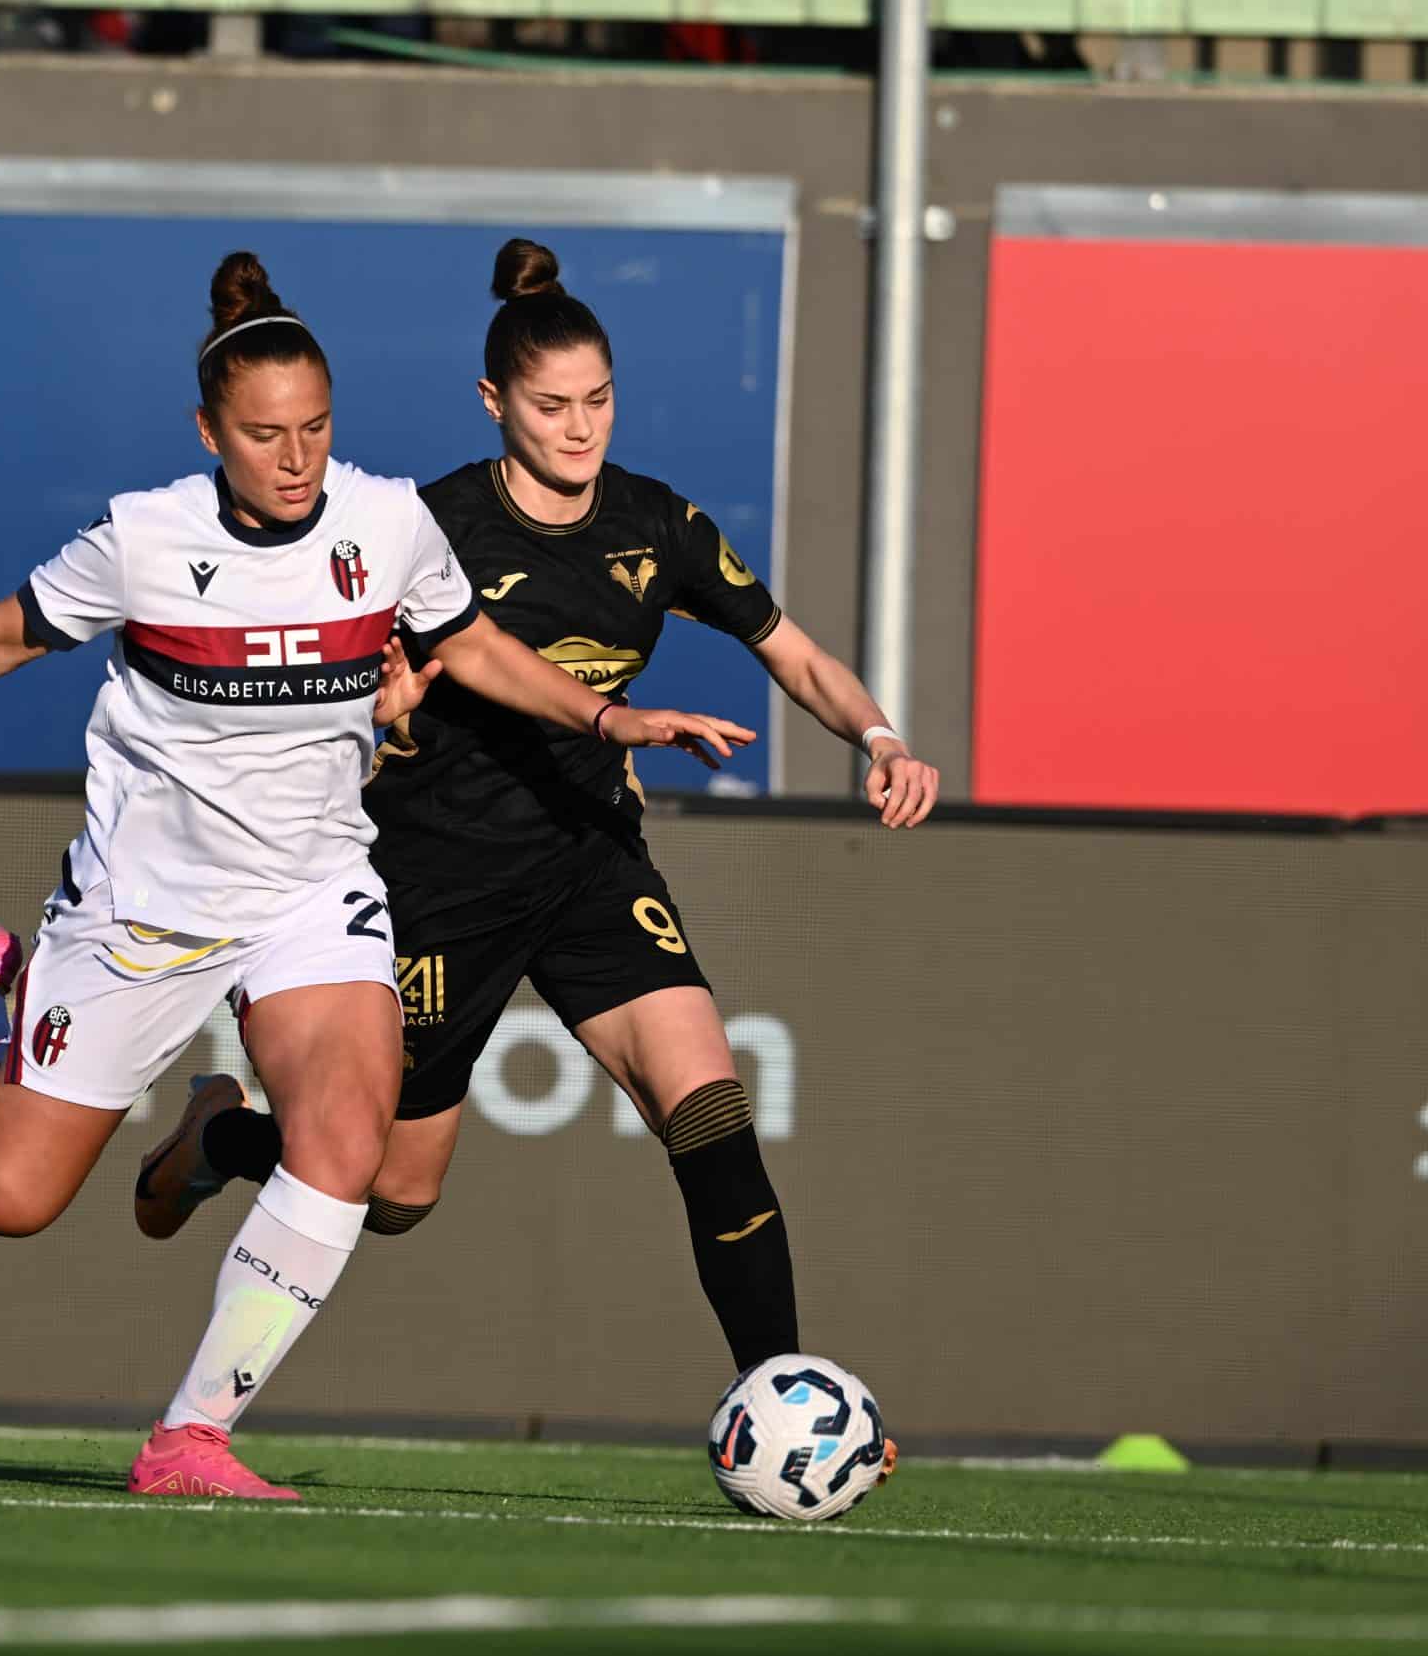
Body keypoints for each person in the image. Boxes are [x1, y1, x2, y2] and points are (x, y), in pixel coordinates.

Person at [0, 251, 755, 1499]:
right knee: (4, 1199)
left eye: (315, 427)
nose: (296, 458)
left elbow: (475, 644)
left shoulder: (387, 524)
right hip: (143, 915)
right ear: (209, 432)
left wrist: (604, 719)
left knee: (348, 1141)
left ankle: (191, 1436)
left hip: (312, 893)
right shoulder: (143, 540)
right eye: (265, 435)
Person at [134, 237, 938, 1418]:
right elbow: (324, 679)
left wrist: (878, 737)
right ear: (493, 402)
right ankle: (223, 1137)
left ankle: (781, 1400)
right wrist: (377, 714)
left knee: (709, 1108)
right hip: (436, 880)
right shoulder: (429, 525)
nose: (579, 428)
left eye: (597, 400)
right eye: (551, 406)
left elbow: (795, 653)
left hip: (587, 860)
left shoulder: (657, 523)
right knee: (395, 1192)